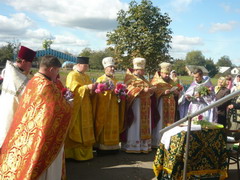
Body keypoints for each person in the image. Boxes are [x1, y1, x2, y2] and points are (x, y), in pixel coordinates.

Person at [0, 55, 72, 180]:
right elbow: (60, 109)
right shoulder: (47, 86)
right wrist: (69, 103)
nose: (57, 74)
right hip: (43, 133)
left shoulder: (33, 81)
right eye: (57, 71)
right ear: (51, 69)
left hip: (28, 130)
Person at [0, 46, 36, 148]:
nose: (31, 66)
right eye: (30, 63)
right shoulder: (17, 77)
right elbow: (29, 89)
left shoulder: (9, 70)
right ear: (23, 61)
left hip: (6, 106)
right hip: (11, 109)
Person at [64, 57, 96, 161]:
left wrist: (94, 89)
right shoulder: (72, 75)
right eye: (85, 66)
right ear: (78, 64)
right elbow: (73, 91)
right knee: (77, 128)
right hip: (77, 107)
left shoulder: (86, 76)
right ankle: (74, 154)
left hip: (86, 105)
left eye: (87, 66)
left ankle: (86, 153)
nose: (86, 68)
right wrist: (87, 88)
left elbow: (89, 90)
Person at [93, 57, 125, 154]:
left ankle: (114, 147)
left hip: (114, 107)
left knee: (114, 124)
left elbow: (118, 92)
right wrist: (108, 91)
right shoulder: (101, 79)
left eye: (113, 67)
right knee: (104, 125)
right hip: (104, 107)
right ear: (105, 68)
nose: (112, 69)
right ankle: (103, 148)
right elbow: (97, 94)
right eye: (110, 67)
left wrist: (120, 92)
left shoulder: (115, 80)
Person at [121, 57, 154, 153]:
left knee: (144, 125)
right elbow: (128, 89)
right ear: (136, 69)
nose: (144, 71)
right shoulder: (130, 77)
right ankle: (133, 146)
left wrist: (151, 90)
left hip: (146, 104)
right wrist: (142, 90)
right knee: (135, 124)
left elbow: (149, 87)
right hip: (135, 104)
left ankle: (143, 146)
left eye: (144, 69)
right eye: (142, 70)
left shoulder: (143, 78)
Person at [151, 63, 180, 147]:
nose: (167, 75)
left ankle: (167, 142)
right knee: (161, 122)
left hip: (171, 105)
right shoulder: (156, 81)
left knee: (170, 122)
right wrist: (163, 92)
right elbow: (153, 92)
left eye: (168, 74)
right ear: (161, 73)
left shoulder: (172, 82)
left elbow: (177, 92)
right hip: (161, 105)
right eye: (165, 74)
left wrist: (176, 92)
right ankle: (158, 142)